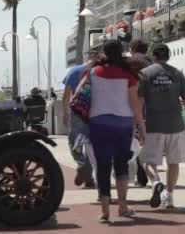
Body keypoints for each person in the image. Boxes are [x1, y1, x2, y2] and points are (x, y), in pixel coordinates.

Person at [77, 40, 146, 222]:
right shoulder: (128, 74)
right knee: (121, 165)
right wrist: (142, 127)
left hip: (98, 123)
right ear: (121, 52)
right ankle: (122, 206)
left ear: (104, 53)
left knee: (103, 166)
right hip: (123, 124)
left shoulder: (93, 72)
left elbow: (78, 92)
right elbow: (134, 105)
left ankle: (105, 211)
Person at [139, 43, 185, 209]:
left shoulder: (145, 73)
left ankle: (156, 182)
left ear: (153, 56)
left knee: (149, 161)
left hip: (153, 125)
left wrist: (137, 123)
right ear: (168, 56)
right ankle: (169, 197)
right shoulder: (177, 73)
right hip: (176, 125)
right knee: (174, 162)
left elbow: (139, 101)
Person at [61, 48, 100, 188]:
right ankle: (88, 177)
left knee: (74, 142)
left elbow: (66, 95)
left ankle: (82, 166)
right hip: (95, 111)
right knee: (90, 144)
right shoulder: (101, 71)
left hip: (78, 110)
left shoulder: (74, 71)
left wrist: (65, 113)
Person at [128, 39, 151, 187]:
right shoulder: (151, 62)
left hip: (134, 103)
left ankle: (141, 176)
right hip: (150, 105)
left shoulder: (130, 62)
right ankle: (146, 171)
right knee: (146, 141)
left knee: (134, 141)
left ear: (132, 48)